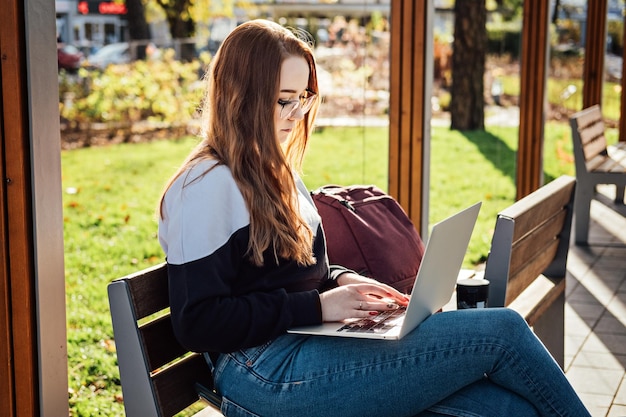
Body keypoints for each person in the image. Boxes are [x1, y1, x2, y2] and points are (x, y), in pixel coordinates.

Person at [158, 19, 590, 417]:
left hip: (307, 346)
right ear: (241, 97)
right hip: (262, 372)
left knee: (507, 409)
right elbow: (198, 322)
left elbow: (295, 272)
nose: (296, 115)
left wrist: (344, 282)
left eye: (303, 100)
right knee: (503, 332)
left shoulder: (274, 169)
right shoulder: (205, 186)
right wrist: (318, 306)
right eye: (283, 101)